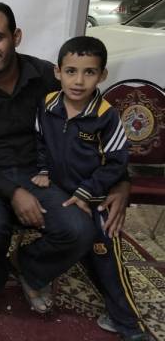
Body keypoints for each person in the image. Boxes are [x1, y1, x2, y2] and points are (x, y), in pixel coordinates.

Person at [0, 2, 130, 319]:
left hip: (39, 173)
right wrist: (13, 192)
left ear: (16, 36)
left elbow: (95, 123)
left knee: (80, 229)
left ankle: (28, 267)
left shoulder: (46, 76)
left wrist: (122, 180)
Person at [33, 36, 149, 341]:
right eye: (71, 71)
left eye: (89, 72)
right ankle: (27, 267)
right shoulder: (47, 105)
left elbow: (116, 163)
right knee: (73, 241)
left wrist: (87, 191)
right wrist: (43, 170)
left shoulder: (107, 116)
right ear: (58, 72)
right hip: (58, 191)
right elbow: (40, 142)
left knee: (106, 253)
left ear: (102, 75)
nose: (79, 81)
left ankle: (129, 325)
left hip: (96, 197)